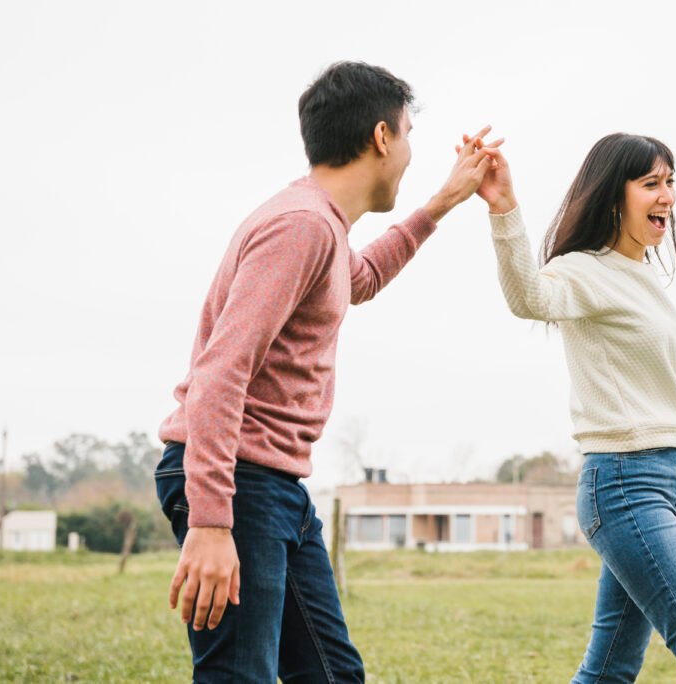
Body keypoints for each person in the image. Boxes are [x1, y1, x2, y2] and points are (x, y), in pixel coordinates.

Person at [155, 61, 496, 683]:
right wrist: (210, 520)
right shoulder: (301, 226)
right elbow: (220, 372)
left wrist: (444, 201)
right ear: (381, 137)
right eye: (409, 134)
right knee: (240, 676)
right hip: (238, 477)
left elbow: (361, 278)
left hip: (273, 481)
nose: (410, 153)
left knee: (333, 674)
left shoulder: (323, 228)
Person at [468, 132, 676, 683]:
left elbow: (643, 374)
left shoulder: (642, 276)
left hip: (658, 483)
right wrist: (504, 209)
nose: (667, 195)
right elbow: (528, 297)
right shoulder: (584, 270)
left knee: (610, 669)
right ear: (615, 196)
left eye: (670, 182)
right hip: (623, 485)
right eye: (650, 183)